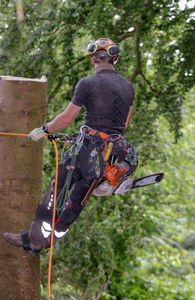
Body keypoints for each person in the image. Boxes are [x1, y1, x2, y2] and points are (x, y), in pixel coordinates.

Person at [4, 38, 134, 256]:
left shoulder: (87, 83)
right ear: (115, 59)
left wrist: (44, 130)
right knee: (77, 200)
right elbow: (125, 124)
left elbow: (65, 119)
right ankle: (51, 238)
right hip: (113, 152)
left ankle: (35, 240)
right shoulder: (128, 87)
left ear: (93, 59)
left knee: (56, 191)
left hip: (86, 150)